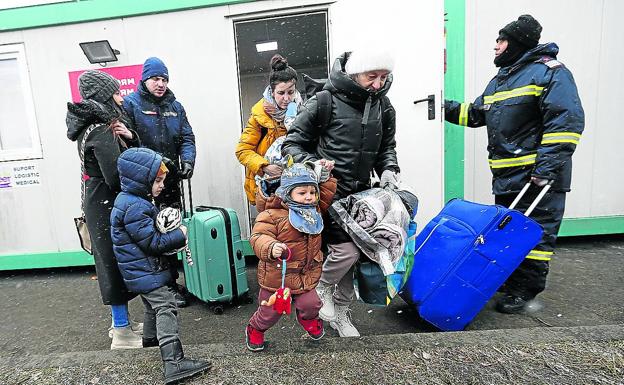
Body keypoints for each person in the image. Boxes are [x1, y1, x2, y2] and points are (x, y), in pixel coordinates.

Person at [444, 15, 584, 314]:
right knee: (510, 233)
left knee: (536, 236)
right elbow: (477, 114)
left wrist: (545, 170)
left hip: (538, 176)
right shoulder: (502, 79)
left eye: (501, 40)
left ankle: (525, 291)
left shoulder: (550, 74)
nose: (496, 46)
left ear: (516, 43)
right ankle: (510, 281)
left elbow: (566, 124)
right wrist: (444, 108)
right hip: (507, 176)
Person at [282, 49, 400, 337]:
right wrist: (312, 165)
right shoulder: (324, 100)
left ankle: (341, 314)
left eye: (383, 77)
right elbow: (291, 144)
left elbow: (387, 148)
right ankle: (321, 288)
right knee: (345, 251)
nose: (378, 83)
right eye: (372, 76)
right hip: (328, 193)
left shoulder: (384, 107)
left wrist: (389, 169)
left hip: (363, 197)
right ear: (354, 73)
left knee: (355, 258)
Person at [110, 147, 211, 384]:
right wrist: (180, 234)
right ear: (141, 178)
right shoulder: (136, 207)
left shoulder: (131, 200)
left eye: (163, 180)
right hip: (146, 270)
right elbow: (153, 243)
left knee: (150, 306)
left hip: (140, 271)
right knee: (165, 306)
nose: (162, 185)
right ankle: (174, 363)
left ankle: (150, 344)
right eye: (157, 180)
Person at [66, 70, 143, 349]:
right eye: (117, 93)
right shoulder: (101, 128)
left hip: (98, 201)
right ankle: (122, 331)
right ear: (105, 95)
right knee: (113, 263)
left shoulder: (88, 125)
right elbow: (116, 175)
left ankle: (120, 323)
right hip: (106, 202)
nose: (121, 99)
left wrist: (130, 138)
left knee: (110, 261)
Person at [123, 57, 196, 306]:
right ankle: (162, 287)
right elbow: (129, 143)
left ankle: (175, 282)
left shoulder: (176, 106)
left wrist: (188, 161)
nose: (161, 83)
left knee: (172, 230)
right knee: (152, 235)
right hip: (145, 184)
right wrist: (159, 161)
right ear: (145, 79)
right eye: (156, 78)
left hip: (170, 180)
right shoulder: (131, 104)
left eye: (164, 79)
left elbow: (187, 137)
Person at [245, 162, 337, 351]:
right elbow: (258, 237)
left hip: (305, 275)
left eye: (312, 192)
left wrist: (325, 172)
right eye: (302, 193)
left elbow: (326, 193)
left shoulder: (315, 211)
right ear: (287, 193)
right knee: (270, 312)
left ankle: (309, 320)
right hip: (277, 277)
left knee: (311, 304)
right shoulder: (271, 214)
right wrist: (271, 247)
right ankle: (255, 329)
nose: (309, 197)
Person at [235, 54, 302, 206]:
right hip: (268, 189)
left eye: (290, 92)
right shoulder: (259, 117)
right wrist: (265, 167)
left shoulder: (304, 112)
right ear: (272, 92)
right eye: (280, 93)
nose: (286, 98)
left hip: (298, 187)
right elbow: (242, 150)